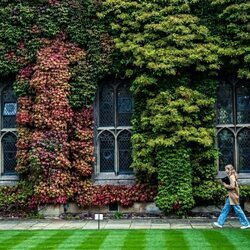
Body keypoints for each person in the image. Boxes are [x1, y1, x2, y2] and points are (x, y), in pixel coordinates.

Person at [213, 164, 250, 229]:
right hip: (231, 195)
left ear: (229, 169)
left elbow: (232, 186)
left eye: (226, 169)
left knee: (238, 210)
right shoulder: (232, 176)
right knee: (225, 209)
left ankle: (246, 224)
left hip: (233, 196)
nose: (225, 171)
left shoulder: (231, 177)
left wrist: (225, 185)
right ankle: (220, 223)